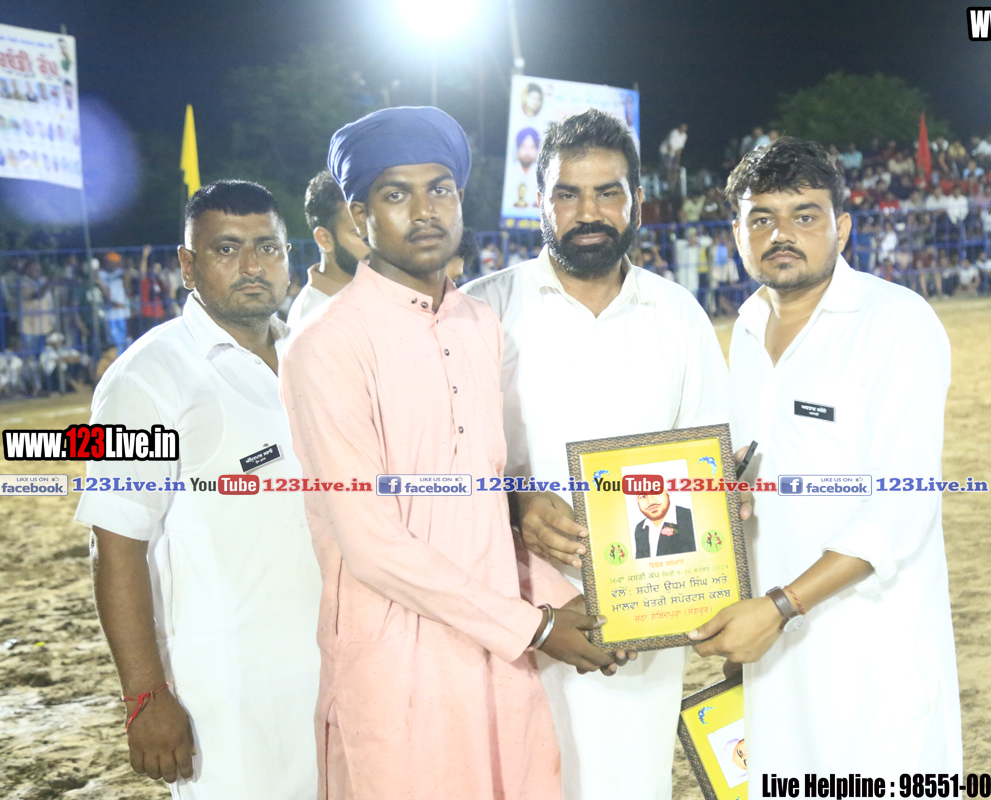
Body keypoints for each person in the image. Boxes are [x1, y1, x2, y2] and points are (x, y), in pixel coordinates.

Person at [280, 106, 620, 800]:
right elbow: (373, 547)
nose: (424, 210)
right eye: (395, 194)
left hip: (497, 657)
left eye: (440, 189)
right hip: (399, 663)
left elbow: (483, 511)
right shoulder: (327, 345)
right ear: (359, 215)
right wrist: (538, 626)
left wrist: (587, 604)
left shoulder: (477, 323)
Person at [463, 108, 728, 800]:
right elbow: (435, 468)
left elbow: (709, 472)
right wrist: (515, 503)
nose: (588, 212)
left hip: (643, 624)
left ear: (636, 199)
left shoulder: (678, 315)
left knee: (629, 782)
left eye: (607, 192)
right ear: (539, 201)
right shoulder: (480, 312)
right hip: (511, 616)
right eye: (568, 194)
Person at [689, 136, 961, 776]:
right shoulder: (747, 329)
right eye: (761, 218)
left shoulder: (894, 322)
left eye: (804, 216)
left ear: (841, 227)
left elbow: (899, 510)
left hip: (870, 651)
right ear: (737, 234)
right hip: (773, 648)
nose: (781, 234)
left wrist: (779, 607)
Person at [73, 181, 322, 798]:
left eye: (267, 247)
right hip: (228, 696)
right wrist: (145, 696)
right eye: (227, 249)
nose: (252, 266)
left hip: (336, 672)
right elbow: (115, 546)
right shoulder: (144, 380)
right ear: (188, 265)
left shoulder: (313, 356)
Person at [287, 170, 371, 325]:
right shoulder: (314, 321)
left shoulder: (377, 290)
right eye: (360, 233)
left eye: (376, 230)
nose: (374, 243)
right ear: (324, 239)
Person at [632, 489, 696, 559]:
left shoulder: (691, 518)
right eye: (642, 496)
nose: (650, 502)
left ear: (668, 493)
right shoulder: (640, 528)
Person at [19, 260, 56, 355]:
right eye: (34, 268)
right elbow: (36, 295)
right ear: (27, 269)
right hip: (29, 327)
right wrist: (48, 284)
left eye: (38, 269)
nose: (37, 271)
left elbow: (49, 304)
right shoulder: (23, 282)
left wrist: (52, 322)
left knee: (43, 355)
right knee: (30, 354)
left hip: (44, 326)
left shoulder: (42, 281)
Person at [99, 252, 130, 353]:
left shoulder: (121, 273)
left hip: (122, 314)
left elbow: (127, 288)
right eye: (111, 262)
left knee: (123, 342)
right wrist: (115, 304)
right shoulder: (102, 275)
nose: (113, 264)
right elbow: (104, 296)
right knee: (113, 344)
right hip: (111, 315)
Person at [137, 245, 168, 335]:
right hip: (148, 314)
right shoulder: (146, 281)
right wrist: (145, 256)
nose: (157, 271)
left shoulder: (160, 282)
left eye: (159, 269)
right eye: (155, 268)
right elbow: (142, 272)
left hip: (159, 314)